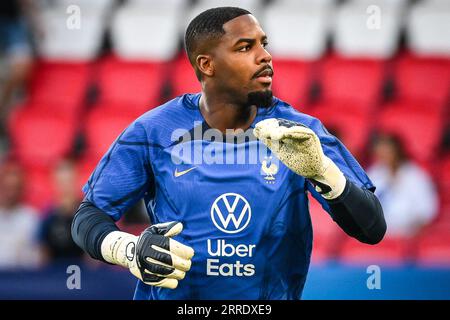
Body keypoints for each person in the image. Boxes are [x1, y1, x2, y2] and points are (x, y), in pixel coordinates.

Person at [72, 7, 386, 300]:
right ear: (207, 64)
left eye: (264, 44)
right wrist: (129, 249)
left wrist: (323, 172)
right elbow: (88, 218)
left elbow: (372, 229)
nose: (266, 56)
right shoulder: (153, 131)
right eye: (245, 47)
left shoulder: (300, 133)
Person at [368, 133, 438, 238]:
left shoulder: (415, 176)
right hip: (379, 237)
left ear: (397, 151)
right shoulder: (374, 174)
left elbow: (426, 211)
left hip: (408, 236)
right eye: (380, 152)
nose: (383, 155)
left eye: (387, 151)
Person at [38, 160, 85, 265]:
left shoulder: (86, 213)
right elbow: (43, 251)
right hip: (55, 273)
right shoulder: (48, 215)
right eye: (61, 182)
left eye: (68, 181)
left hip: (83, 272)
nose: (65, 186)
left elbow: (92, 255)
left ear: (75, 180)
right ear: (54, 183)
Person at [0, 161, 40, 269]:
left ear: (21, 190)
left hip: (20, 279)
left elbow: (35, 257)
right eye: (7, 188)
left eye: (15, 188)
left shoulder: (31, 218)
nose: (11, 194)